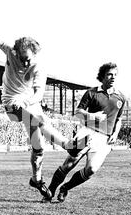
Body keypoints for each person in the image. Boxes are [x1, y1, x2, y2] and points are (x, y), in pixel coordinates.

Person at [0, 30, 72, 199]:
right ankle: (67, 145)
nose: (26, 63)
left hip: (30, 103)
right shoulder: (10, 51)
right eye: (23, 59)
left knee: (38, 147)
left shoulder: (39, 67)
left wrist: (27, 102)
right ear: (16, 52)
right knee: (37, 121)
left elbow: (39, 94)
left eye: (29, 59)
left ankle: (37, 180)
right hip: (11, 102)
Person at [43, 62, 126, 203]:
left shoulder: (121, 97)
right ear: (103, 76)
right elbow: (78, 113)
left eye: (115, 75)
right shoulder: (91, 93)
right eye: (110, 74)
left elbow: (119, 119)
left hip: (104, 139)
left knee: (91, 169)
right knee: (69, 164)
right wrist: (93, 116)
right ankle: (49, 193)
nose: (113, 77)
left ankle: (65, 188)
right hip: (86, 132)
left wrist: (115, 134)